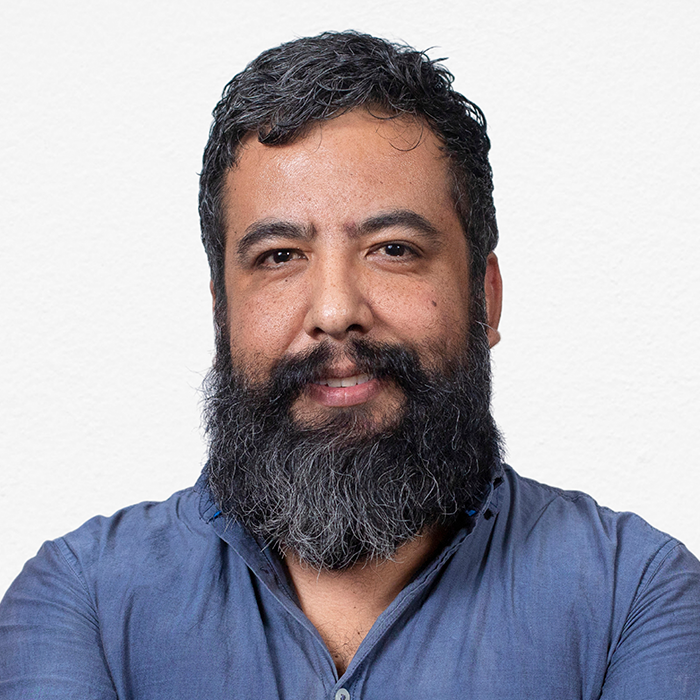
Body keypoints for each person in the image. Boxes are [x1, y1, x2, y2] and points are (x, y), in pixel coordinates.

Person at [1, 30, 699, 699]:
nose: (335, 311)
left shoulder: (635, 596)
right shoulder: (82, 602)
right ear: (221, 313)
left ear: (485, 297)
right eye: (280, 256)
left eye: (393, 249)